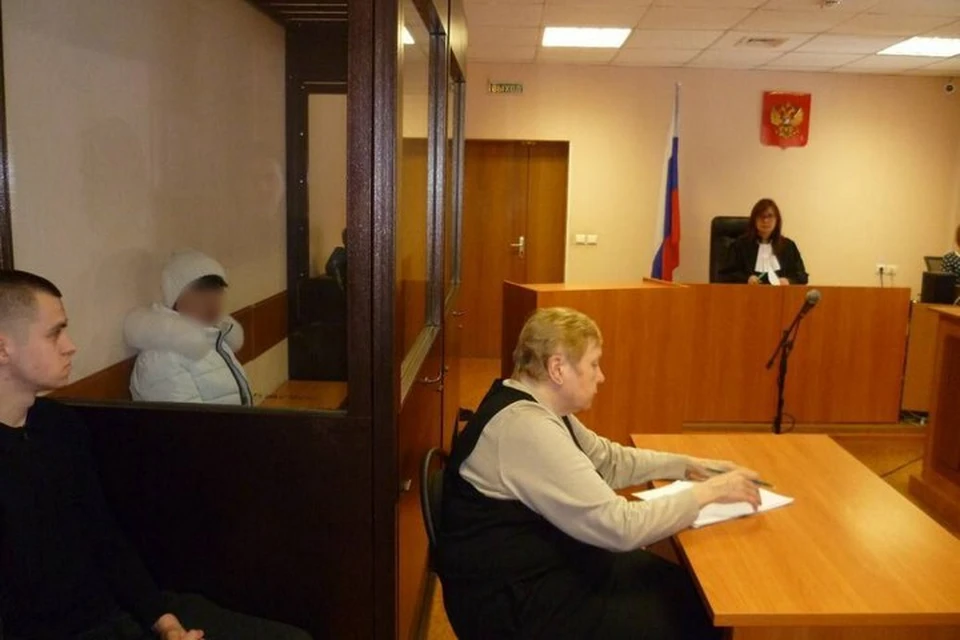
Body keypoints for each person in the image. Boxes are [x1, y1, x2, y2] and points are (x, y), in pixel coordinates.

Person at [0, 270, 310, 640]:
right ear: (3, 348)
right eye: (55, 334)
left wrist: (164, 622)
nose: (70, 346)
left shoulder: (59, 426)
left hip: (118, 610)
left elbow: (105, 539)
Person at [437, 307, 762, 639]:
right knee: (694, 619)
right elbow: (620, 527)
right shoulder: (525, 428)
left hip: (541, 567)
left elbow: (608, 461)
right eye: (593, 364)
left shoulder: (539, 408)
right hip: (514, 604)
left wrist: (687, 465)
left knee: (684, 591)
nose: (601, 376)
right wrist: (711, 492)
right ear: (558, 368)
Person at [125, 250, 252, 405]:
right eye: (200, 291)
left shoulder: (215, 339)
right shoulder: (161, 359)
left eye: (217, 290)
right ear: (175, 299)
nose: (212, 301)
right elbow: (186, 419)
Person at [719, 198, 808, 285]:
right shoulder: (740, 245)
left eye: (770, 216)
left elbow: (802, 276)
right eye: (761, 216)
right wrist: (746, 279)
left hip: (781, 294)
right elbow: (725, 275)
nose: (765, 220)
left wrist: (788, 281)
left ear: (777, 220)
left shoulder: (788, 246)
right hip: (747, 294)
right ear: (754, 220)